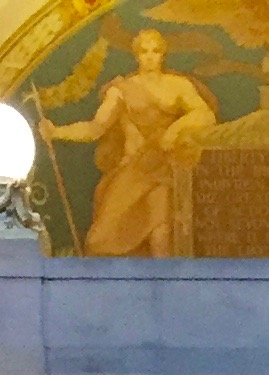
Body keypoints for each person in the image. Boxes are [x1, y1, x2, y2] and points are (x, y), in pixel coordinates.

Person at [46, 31, 218, 258]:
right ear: (136, 55)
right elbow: (96, 127)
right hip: (133, 170)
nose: (149, 57)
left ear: (163, 54)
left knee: (161, 234)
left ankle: (168, 289)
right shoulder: (122, 90)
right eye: (144, 51)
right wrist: (57, 131)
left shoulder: (178, 86)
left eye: (155, 51)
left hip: (164, 170)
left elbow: (205, 115)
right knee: (99, 241)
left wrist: (174, 130)